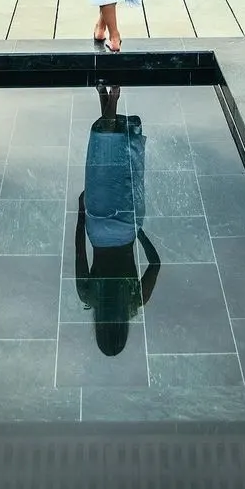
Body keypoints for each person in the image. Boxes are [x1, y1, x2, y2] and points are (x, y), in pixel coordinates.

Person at [74, 80, 160, 355]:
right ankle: (107, 99)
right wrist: (81, 214)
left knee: (120, 164)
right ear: (99, 330)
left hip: (126, 227)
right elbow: (79, 250)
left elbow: (155, 263)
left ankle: (112, 99)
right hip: (98, 229)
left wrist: (139, 231)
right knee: (102, 163)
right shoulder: (88, 296)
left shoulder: (136, 301)